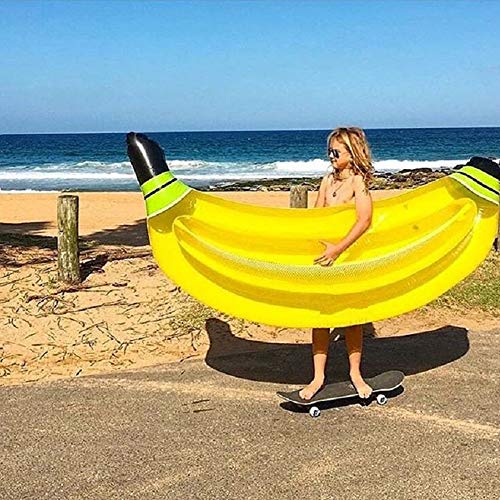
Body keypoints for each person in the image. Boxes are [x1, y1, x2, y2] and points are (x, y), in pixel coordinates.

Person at [298, 126, 375, 401]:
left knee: (350, 319)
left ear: (352, 154)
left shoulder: (358, 182)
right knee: (320, 319)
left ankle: (355, 373)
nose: (330, 156)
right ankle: (318, 377)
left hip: (347, 257)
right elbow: (315, 217)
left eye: (335, 151)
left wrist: (338, 249)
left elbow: (364, 220)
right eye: (329, 151)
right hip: (324, 259)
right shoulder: (326, 181)